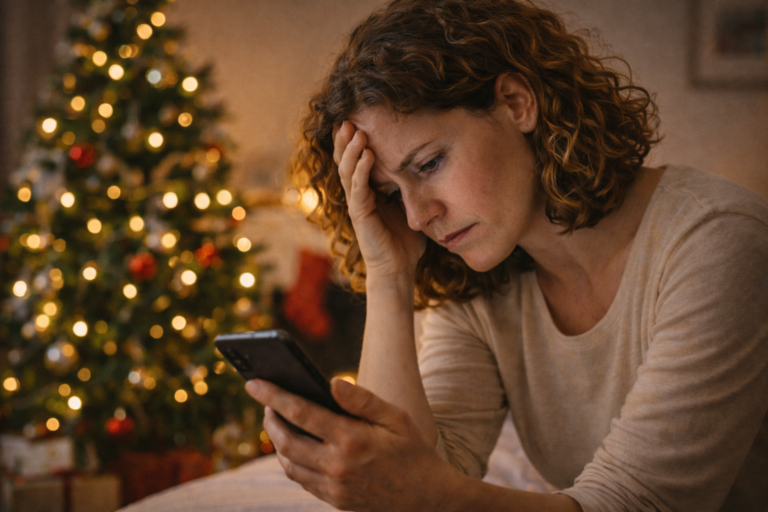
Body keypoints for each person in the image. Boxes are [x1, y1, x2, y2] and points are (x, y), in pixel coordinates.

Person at [245, 0, 768, 510]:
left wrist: (420, 492)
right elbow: (414, 475)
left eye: (428, 164)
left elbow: (636, 502)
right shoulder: (474, 275)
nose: (416, 217)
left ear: (517, 103)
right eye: (390, 193)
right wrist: (389, 272)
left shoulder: (717, 241)